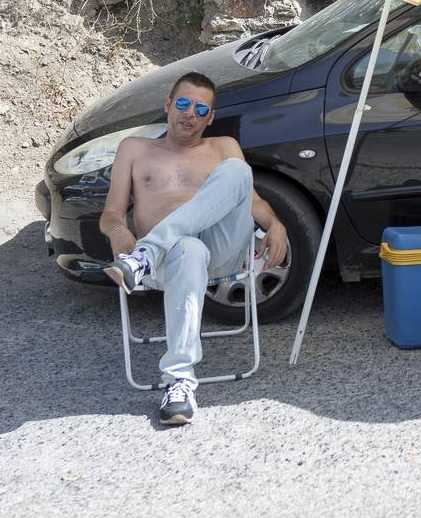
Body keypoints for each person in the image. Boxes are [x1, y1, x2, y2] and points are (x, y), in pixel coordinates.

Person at [100, 71, 289, 425]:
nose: (190, 113)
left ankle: (144, 255)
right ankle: (180, 382)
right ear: (168, 105)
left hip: (221, 251)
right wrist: (116, 230)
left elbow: (254, 202)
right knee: (188, 248)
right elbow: (110, 213)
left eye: (200, 109)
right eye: (184, 104)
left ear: (210, 117)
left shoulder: (223, 148)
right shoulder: (134, 149)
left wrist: (276, 224)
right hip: (171, 264)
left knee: (237, 171)